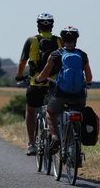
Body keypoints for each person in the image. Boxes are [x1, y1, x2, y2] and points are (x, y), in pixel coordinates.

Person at [35, 26, 93, 155]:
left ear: (62, 39)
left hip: (61, 94)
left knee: (50, 111)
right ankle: (76, 141)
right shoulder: (82, 55)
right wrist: (87, 83)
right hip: (79, 96)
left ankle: (55, 137)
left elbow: (44, 74)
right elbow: (89, 78)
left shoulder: (56, 54)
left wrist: (38, 80)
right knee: (80, 114)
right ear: (76, 39)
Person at [15, 13, 62, 156]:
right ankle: (58, 137)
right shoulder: (59, 41)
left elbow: (23, 62)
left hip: (36, 83)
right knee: (55, 112)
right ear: (52, 26)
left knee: (31, 111)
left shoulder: (31, 40)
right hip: (54, 84)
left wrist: (19, 76)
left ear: (38, 25)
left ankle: (31, 144)